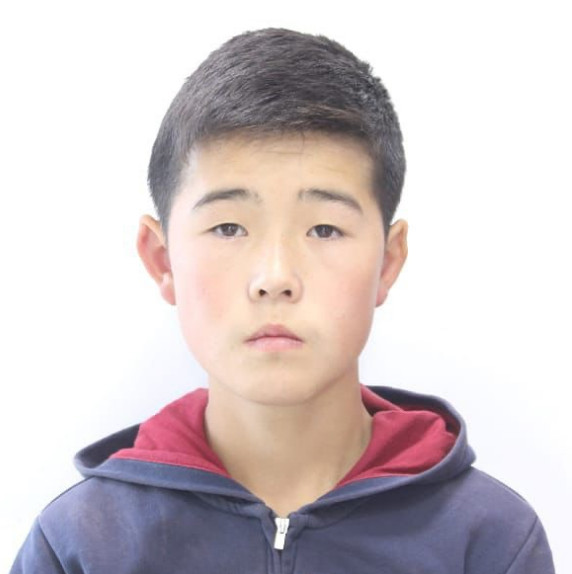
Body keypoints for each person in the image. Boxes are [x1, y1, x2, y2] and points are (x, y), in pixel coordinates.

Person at [10, 27, 554, 573]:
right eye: (228, 227)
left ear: (388, 261)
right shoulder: (81, 544)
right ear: (162, 258)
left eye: (324, 229)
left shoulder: (491, 541)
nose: (275, 278)